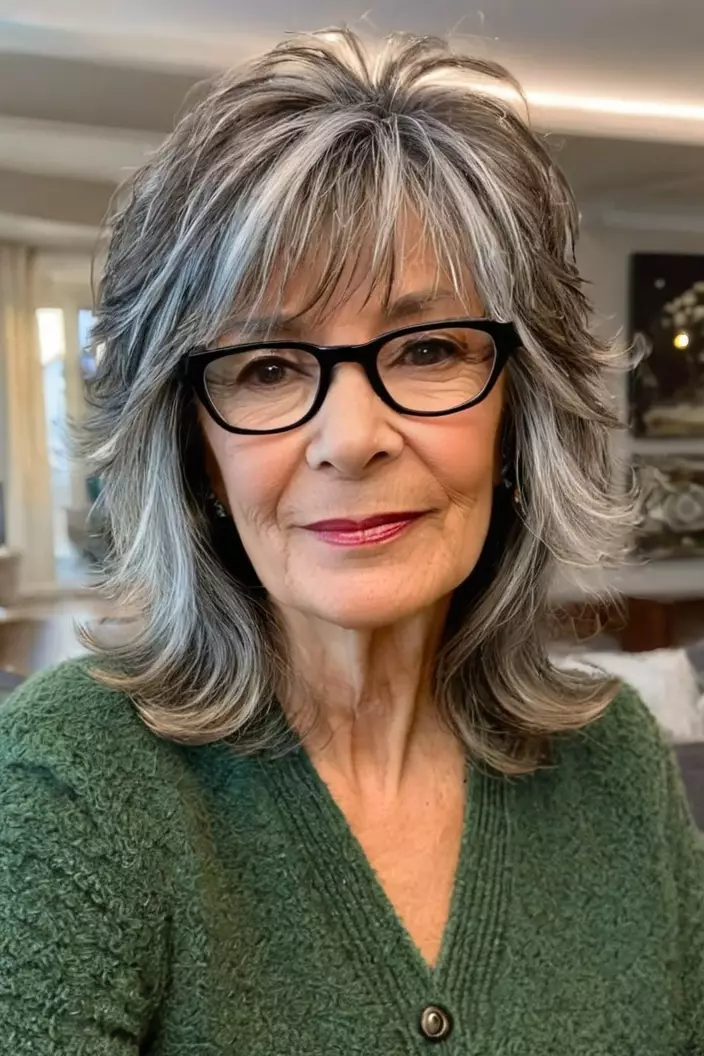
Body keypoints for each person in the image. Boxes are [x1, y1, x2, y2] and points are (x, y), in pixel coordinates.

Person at [0, 28, 702, 1056]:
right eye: (269, 366)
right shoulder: (71, 785)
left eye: (426, 349)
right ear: (196, 447)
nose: (352, 439)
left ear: (519, 413)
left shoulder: (617, 770)